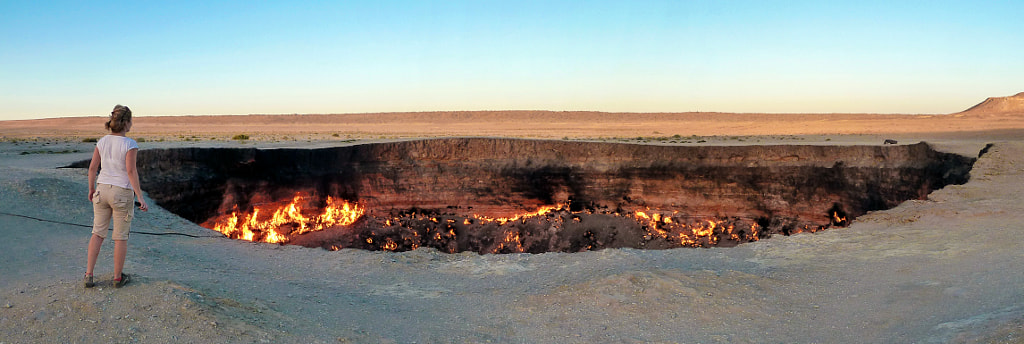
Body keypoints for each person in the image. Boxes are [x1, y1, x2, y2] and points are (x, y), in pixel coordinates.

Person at [84, 104, 149, 288]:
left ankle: (89, 275)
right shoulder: (130, 144)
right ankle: (117, 277)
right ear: (126, 122)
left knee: (97, 233)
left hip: (101, 189)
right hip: (121, 192)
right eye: (131, 121)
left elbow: (92, 168)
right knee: (120, 236)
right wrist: (140, 197)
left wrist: (91, 189)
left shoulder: (102, 141)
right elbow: (130, 171)